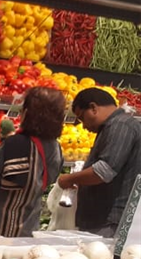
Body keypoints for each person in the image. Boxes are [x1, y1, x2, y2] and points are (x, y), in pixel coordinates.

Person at [0, 86, 64, 237]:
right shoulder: (55, 146)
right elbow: (50, 178)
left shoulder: (15, 143)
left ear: (27, 113)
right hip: (30, 224)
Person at [58, 87, 141, 236]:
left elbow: (103, 171)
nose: (84, 126)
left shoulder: (120, 125)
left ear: (93, 108)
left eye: (82, 118)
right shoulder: (112, 126)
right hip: (104, 219)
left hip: (110, 220)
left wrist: (69, 178)